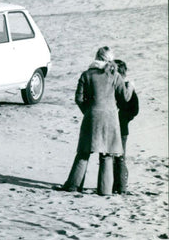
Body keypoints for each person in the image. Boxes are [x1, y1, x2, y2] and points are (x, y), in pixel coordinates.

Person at [57, 46, 134, 195]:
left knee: (83, 152)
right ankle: (105, 190)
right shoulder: (115, 76)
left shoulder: (86, 74)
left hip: (91, 117)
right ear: (110, 59)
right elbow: (124, 97)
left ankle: (73, 185)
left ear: (97, 57)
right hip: (111, 118)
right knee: (107, 154)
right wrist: (130, 86)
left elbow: (78, 98)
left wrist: (88, 111)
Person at [113, 59, 139, 194]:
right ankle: (120, 186)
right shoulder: (128, 86)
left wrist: (124, 118)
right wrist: (126, 118)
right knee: (120, 158)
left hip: (118, 126)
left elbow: (134, 108)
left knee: (116, 158)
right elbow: (135, 109)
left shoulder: (114, 85)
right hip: (122, 127)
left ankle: (119, 186)